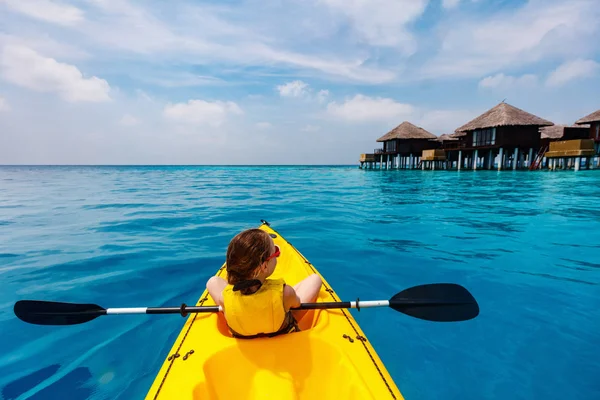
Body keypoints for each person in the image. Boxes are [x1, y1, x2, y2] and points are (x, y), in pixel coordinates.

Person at [206, 228, 322, 338]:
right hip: (280, 330)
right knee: (315, 279)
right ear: (265, 266)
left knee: (212, 281)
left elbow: (213, 284)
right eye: (276, 253)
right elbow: (297, 305)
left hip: (241, 333)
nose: (277, 255)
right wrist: (288, 292)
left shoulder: (226, 297)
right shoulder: (285, 293)